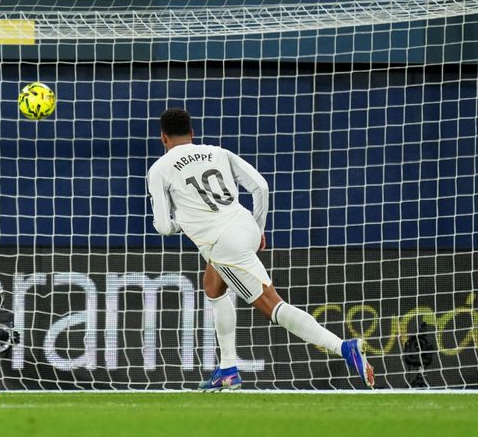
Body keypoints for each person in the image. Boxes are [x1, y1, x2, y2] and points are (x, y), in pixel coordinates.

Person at [147, 108, 374, 391]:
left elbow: (162, 227)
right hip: (245, 225)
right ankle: (228, 369)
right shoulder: (218, 152)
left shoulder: (159, 169)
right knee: (213, 287)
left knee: (272, 307)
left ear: (163, 138)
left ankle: (344, 347)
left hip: (223, 243)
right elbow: (261, 187)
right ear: (192, 133)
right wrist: (258, 228)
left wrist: (183, 221)